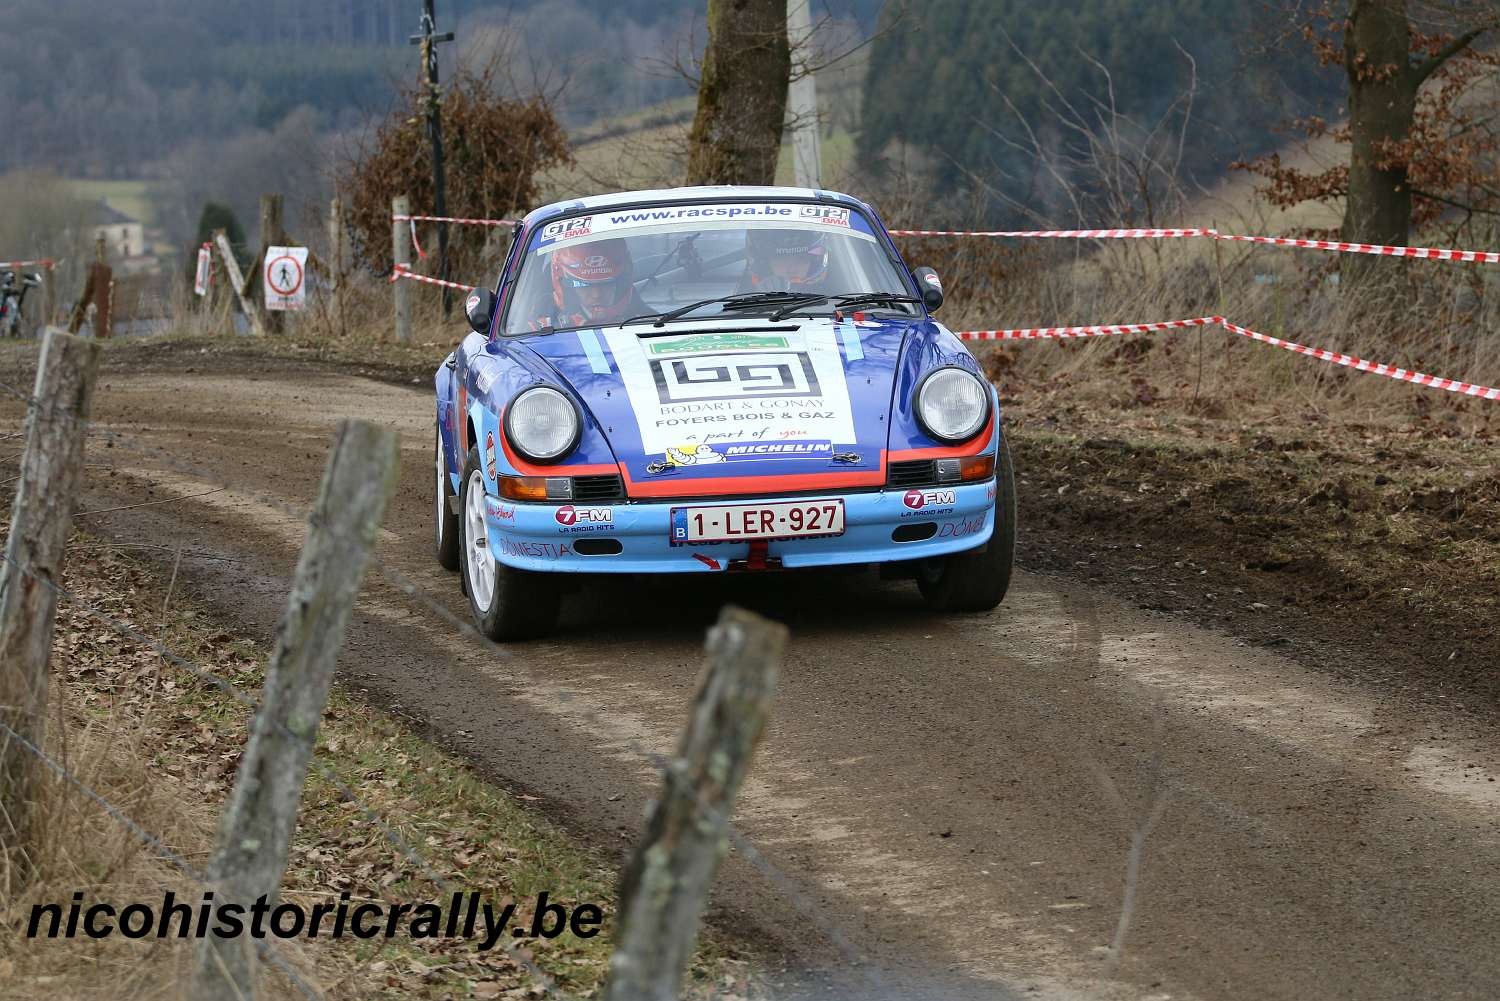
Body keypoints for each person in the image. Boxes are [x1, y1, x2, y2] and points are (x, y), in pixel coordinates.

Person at [534, 239, 646, 328]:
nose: (596, 295)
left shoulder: (648, 320)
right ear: (566, 286)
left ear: (621, 283)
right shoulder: (540, 322)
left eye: (605, 284)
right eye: (585, 285)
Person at [739, 228, 829, 293]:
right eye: (781, 259)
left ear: (814, 261)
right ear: (764, 263)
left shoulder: (838, 296)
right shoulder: (739, 295)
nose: (791, 268)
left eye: (800, 259)